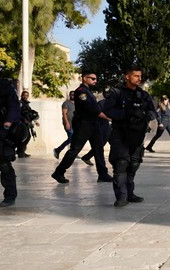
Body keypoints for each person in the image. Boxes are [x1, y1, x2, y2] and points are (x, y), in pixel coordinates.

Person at [102, 67, 156, 207]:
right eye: (135, 76)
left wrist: (143, 115)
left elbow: (153, 112)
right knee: (121, 163)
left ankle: (130, 193)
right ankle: (121, 197)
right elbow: (107, 110)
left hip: (137, 135)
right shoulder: (116, 93)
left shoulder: (143, 95)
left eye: (140, 76)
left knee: (134, 164)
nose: (139, 78)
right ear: (127, 76)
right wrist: (127, 114)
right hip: (120, 133)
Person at [51, 72, 114, 184]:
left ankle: (102, 174)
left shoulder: (88, 91)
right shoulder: (81, 92)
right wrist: (109, 118)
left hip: (93, 124)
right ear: (85, 78)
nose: (95, 81)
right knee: (75, 149)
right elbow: (93, 109)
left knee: (98, 149)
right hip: (84, 125)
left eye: (96, 78)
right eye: (93, 78)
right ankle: (59, 172)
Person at [0, 58, 21, 207]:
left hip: (0, 131)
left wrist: (6, 126)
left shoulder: (6, 87)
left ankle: (10, 195)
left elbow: (14, 107)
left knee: (3, 163)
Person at [54, 91, 90, 163]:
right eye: (71, 94)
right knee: (71, 138)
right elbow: (64, 114)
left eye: (74, 94)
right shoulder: (66, 103)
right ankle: (58, 150)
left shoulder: (78, 103)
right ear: (69, 95)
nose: (73, 96)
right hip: (69, 123)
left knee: (75, 139)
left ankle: (74, 153)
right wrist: (66, 123)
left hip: (76, 124)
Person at [17, 90, 39, 158]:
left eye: (27, 95)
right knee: (25, 137)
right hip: (21, 123)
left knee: (27, 137)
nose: (25, 97)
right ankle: (20, 152)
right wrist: (24, 119)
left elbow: (30, 114)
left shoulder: (26, 104)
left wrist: (35, 121)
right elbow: (18, 113)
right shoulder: (20, 103)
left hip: (27, 123)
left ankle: (22, 151)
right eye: (24, 95)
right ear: (21, 95)